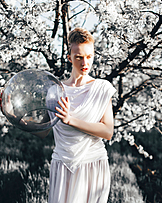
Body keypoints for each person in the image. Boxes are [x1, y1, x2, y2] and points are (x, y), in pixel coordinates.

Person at [38, 27, 116, 203]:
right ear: (69, 58)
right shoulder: (55, 91)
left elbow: (107, 131)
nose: (84, 63)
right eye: (78, 57)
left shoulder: (101, 88)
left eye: (89, 57)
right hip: (63, 166)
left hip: (92, 165)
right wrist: (14, 114)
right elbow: (42, 131)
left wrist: (70, 120)